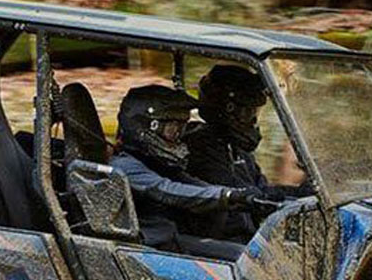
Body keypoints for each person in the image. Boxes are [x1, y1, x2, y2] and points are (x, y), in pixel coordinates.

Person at [109, 84, 271, 261]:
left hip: (170, 241)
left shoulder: (156, 163)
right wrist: (227, 196)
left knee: (254, 253)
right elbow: (169, 190)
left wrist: (243, 198)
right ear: (145, 127)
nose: (178, 137)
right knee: (248, 259)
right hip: (147, 251)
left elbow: (193, 184)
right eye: (172, 130)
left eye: (181, 128)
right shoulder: (124, 166)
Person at [185, 64, 313, 241]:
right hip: (215, 241)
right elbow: (246, 197)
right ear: (229, 110)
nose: (253, 120)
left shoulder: (235, 147)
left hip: (244, 237)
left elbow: (262, 190)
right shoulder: (201, 145)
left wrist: (304, 192)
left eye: (255, 112)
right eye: (248, 112)